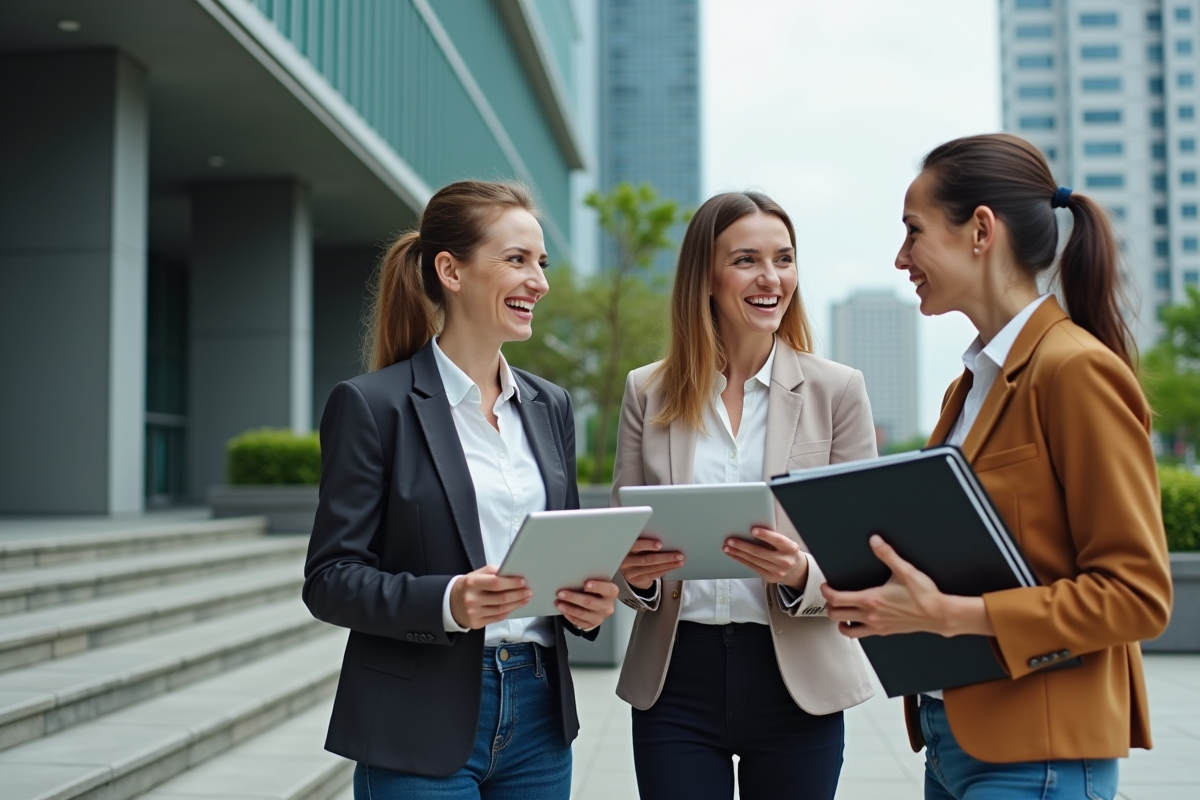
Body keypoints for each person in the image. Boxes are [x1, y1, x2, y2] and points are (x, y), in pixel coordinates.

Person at [822, 133, 1174, 800]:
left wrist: (948, 614)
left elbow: (1137, 597)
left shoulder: (1074, 371)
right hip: (954, 739)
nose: (902, 258)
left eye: (914, 232)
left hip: (1036, 755)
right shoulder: (972, 385)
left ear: (981, 229)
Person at [302, 180, 620, 800]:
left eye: (542, 264)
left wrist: (589, 603)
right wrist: (448, 601)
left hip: (539, 714)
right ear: (450, 269)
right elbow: (330, 579)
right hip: (417, 717)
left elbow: (568, 547)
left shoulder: (549, 406)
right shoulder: (372, 406)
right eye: (517, 260)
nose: (540, 282)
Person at [611, 191, 877, 800]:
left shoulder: (837, 391)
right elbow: (621, 554)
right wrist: (641, 577)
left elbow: (865, 559)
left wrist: (799, 573)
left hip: (796, 680)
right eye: (747, 260)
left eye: (783, 260)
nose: (770, 278)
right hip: (675, 678)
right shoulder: (646, 391)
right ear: (705, 275)